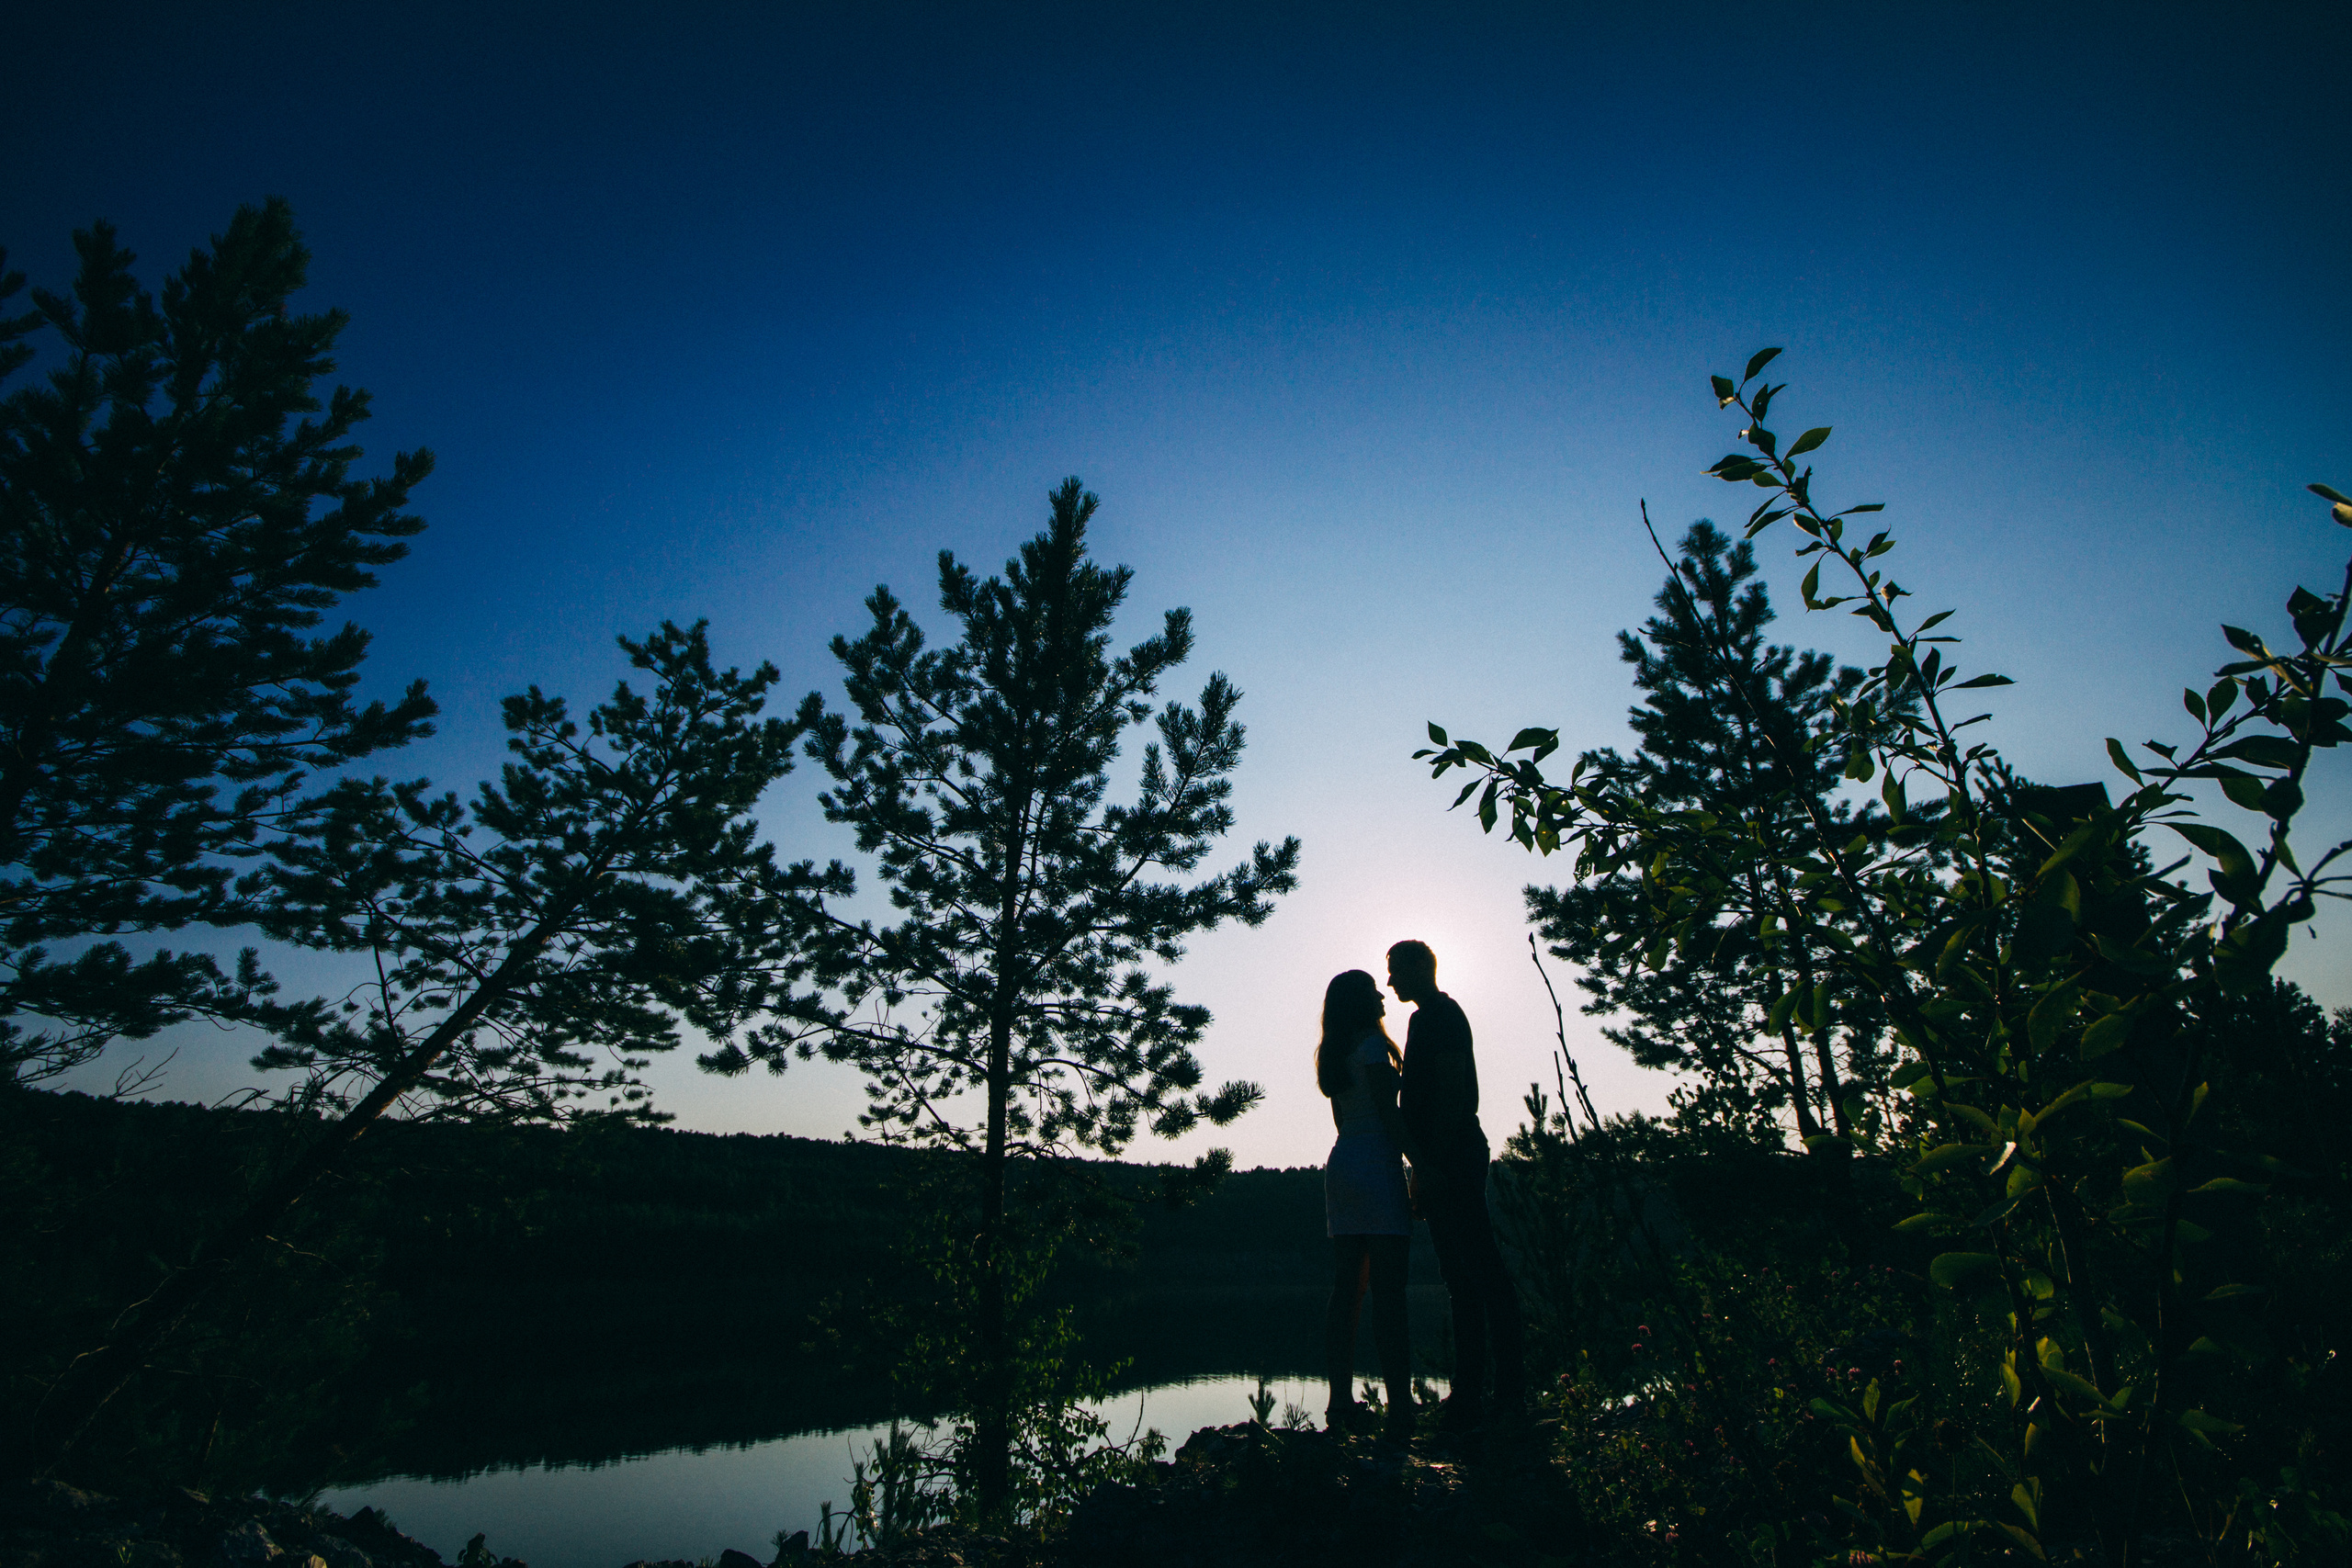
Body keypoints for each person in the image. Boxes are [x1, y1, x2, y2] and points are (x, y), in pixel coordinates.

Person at [1388, 939, 1524, 1429]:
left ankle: (1504, 1395)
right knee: (1462, 1277)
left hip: (1453, 1158)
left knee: (1480, 1272)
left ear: (1420, 968)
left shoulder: (1440, 1017)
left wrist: (1431, 1165)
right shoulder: (1426, 1017)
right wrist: (1422, 1167)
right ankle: (1473, 1393)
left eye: (1396, 970)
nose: (1390, 981)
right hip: (1443, 1159)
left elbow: (1451, 1091)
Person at [1317, 968, 1420, 1441]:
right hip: (1378, 1168)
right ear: (1359, 1003)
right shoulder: (1374, 1048)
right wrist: (1421, 1167)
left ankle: (1340, 1402)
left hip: (1343, 1165)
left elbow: (1344, 1119)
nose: (1382, 995)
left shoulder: (1334, 1053)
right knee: (1389, 1293)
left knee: (1347, 1290)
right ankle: (1400, 1406)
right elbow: (1389, 1116)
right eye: (1372, 991)